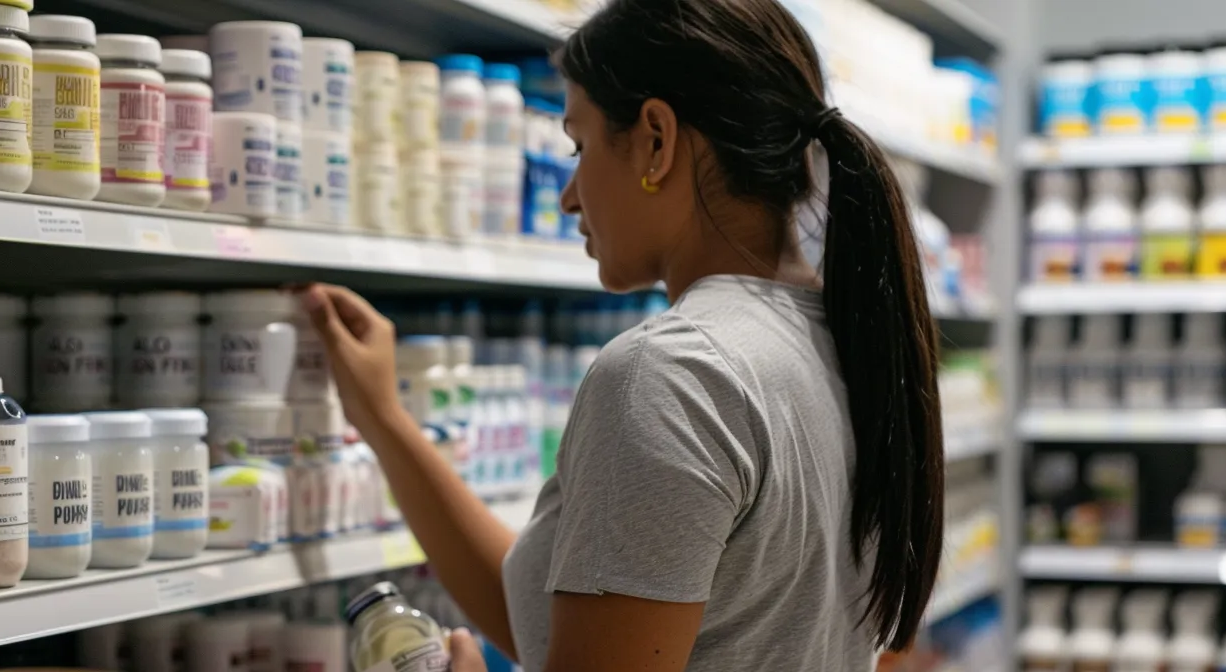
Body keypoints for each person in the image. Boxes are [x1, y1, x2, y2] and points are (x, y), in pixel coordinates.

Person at [298, 0, 944, 668]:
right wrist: (382, 418)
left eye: (579, 147)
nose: (569, 194)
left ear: (656, 141)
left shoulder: (672, 374)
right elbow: (579, 625)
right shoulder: (845, 344)